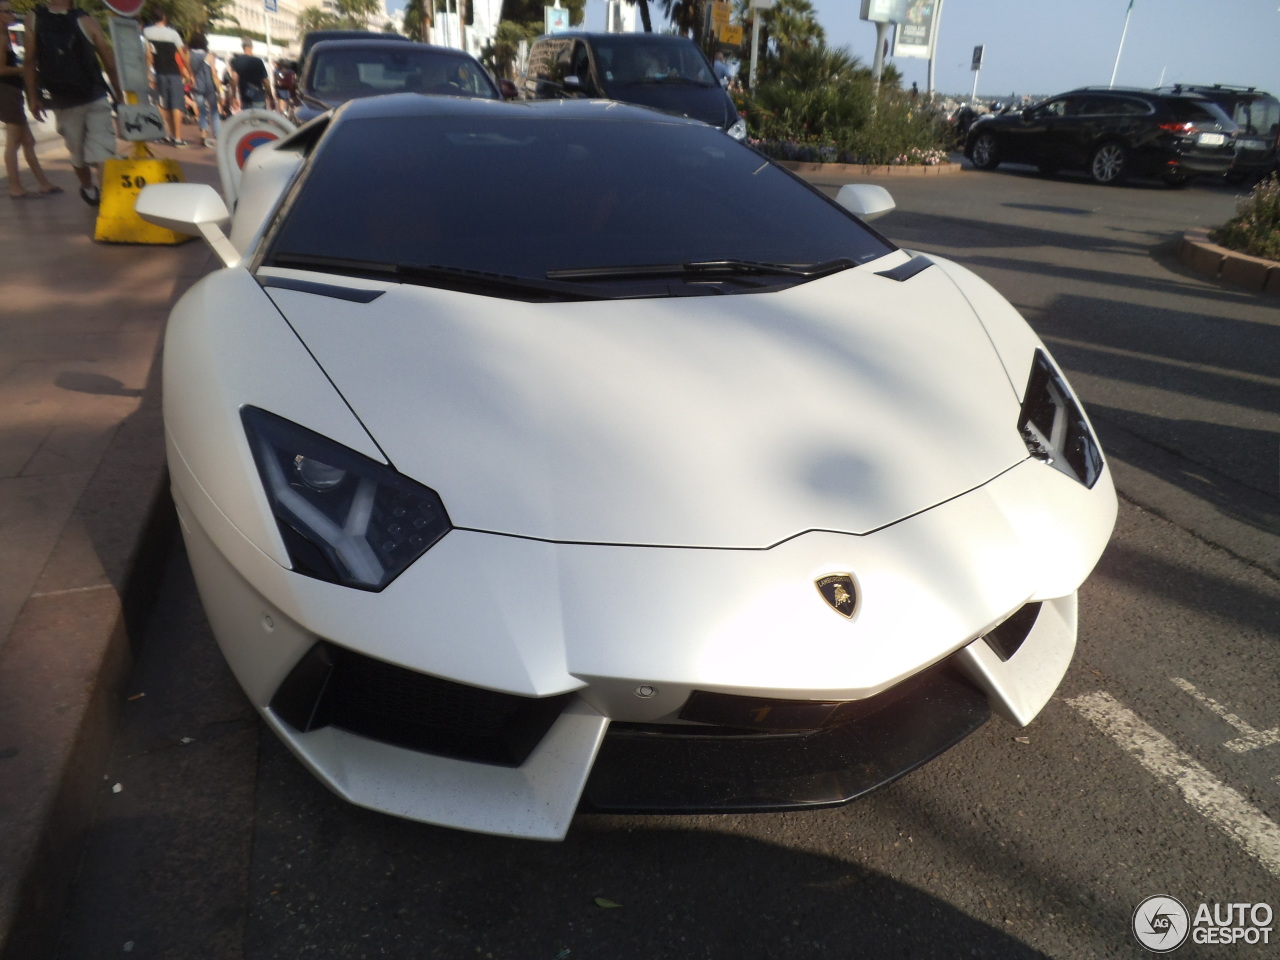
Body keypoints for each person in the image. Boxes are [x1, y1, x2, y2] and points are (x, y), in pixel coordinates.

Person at [23, 0, 122, 205]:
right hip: (95, 94)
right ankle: (108, 202)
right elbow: (109, 62)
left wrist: (33, 98)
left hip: (63, 100)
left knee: (76, 152)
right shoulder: (86, 20)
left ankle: (88, 188)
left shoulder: (34, 19)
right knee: (103, 151)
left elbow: (30, 60)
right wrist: (119, 94)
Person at [2, 0, 60, 198]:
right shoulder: (0, 38)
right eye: (7, 11)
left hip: (13, 90)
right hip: (7, 91)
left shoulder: (5, 36)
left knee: (28, 140)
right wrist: (25, 69)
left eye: (11, 10)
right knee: (13, 140)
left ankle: (43, 182)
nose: (11, 14)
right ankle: (15, 186)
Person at [143, 10, 190, 146]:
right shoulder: (173, 33)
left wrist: (148, 73)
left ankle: (167, 134)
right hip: (173, 73)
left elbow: (149, 55)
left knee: (163, 104)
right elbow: (182, 54)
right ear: (164, 17)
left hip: (159, 72)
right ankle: (178, 138)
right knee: (177, 105)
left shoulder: (147, 32)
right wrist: (189, 71)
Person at [186, 31, 221, 147]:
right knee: (214, 111)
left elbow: (187, 71)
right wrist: (219, 89)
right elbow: (214, 74)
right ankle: (217, 135)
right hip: (209, 87)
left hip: (196, 86)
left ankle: (204, 135)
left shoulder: (188, 55)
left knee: (202, 111)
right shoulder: (209, 55)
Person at [230, 39, 274, 112]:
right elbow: (265, 81)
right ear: (251, 47)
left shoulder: (237, 61)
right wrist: (270, 97)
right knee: (261, 121)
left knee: (248, 121)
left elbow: (234, 79)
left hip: (245, 97)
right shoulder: (258, 61)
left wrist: (234, 97)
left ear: (243, 47)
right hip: (258, 96)